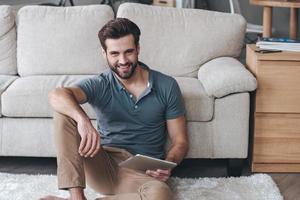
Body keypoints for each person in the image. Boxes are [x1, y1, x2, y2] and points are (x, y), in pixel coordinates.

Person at [41, 18, 188, 200]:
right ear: (104, 53)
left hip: (141, 171)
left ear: (138, 49)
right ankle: (77, 197)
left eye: (129, 52)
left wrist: (168, 164)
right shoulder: (101, 83)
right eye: (115, 54)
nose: (123, 60)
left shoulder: (167, 85)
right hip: (103, 165)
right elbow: (56, 94)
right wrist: (83, 120)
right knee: (64, 111)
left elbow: (180, 141)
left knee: (160, 195)